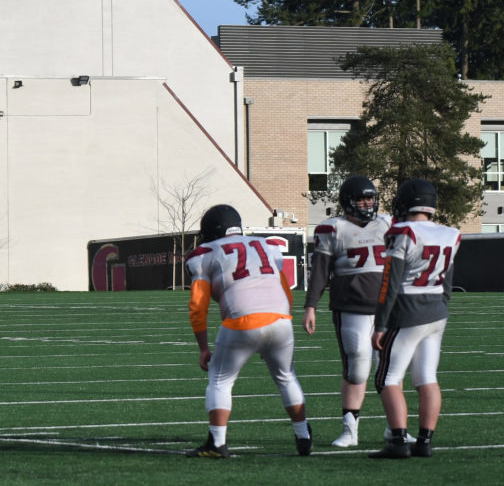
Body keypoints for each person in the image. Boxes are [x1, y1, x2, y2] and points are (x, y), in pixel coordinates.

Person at [185, 204, 311, 458]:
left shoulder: (205, 253)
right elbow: (286, 292)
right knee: (286, 377)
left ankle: (217, 443)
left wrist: (203, 348)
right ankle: (303, 435)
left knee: (220, 381)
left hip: (241, 322)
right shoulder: (266, 246)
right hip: (280, 319)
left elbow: (198, 306)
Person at [304, 175, 399, 448]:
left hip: (387, 309)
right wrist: (311, 306)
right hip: (351, 307)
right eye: (361, 199)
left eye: (370, 198)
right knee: (357, 367)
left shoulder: (388, 223)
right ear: (348, 201)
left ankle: (396, 428)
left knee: (391, 370)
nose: (367, 203)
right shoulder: (333, 228)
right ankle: (350, 430)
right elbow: (320, 271)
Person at [369, 179, 461, 459]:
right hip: (436, 311)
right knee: (426, 377)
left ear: (405, 202)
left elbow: (390, 283)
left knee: (387, 378)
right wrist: (441, 306)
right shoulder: (450, 233)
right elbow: (447, 283)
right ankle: (424, 441)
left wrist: (380, 324)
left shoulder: (403, 232)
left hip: (407, 310)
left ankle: (398, 441)